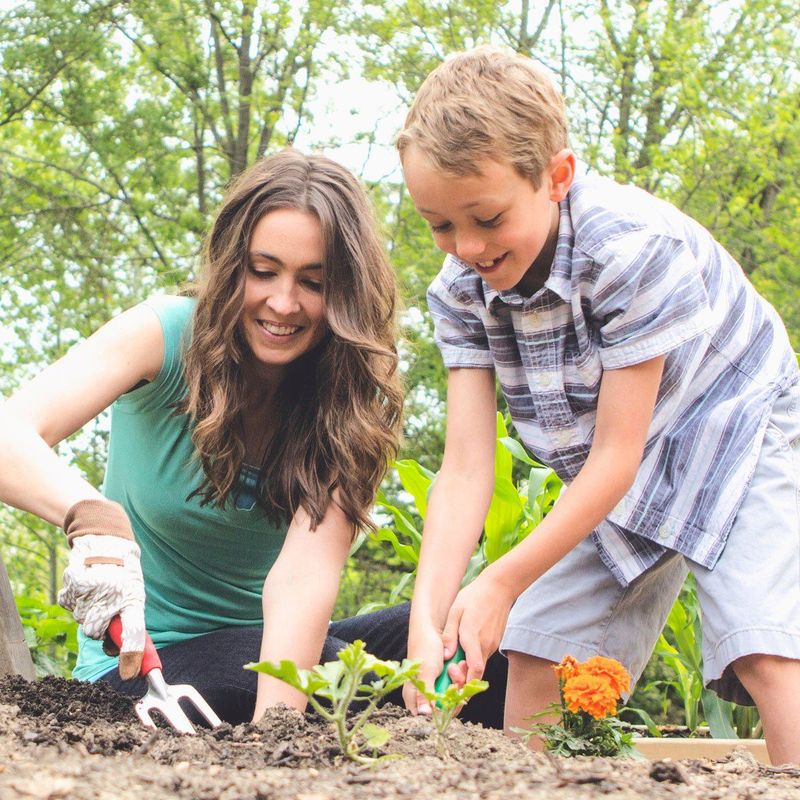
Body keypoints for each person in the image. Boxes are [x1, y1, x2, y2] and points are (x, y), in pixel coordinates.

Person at [397, 46, 800, 764]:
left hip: (738, 418)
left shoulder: (630, 251)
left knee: (763, 645)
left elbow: (619, 458)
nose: (466, 246)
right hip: (613, 459)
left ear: (556, 177)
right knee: (539, 651)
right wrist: (427, 621)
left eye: (487, 218)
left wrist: (500, 580)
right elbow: (463, 469)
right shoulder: (460, 290)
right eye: (439, 225)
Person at [0, 149, 411, 725]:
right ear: (230, 264)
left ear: (345, 294)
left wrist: (277, 732)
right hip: (145, 672)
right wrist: (90, 516)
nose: (283, 303)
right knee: (342, 676)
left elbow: (303, 582)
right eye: (263, 271)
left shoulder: (346, 403)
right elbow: (8, 433)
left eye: (313, 282)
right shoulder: (165, 335)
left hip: (268, 649)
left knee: (449, 636)